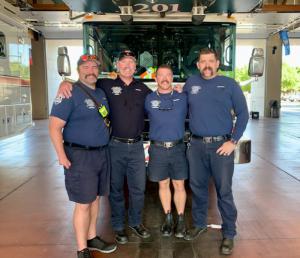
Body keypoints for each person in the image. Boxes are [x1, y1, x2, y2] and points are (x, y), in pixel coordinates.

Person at [57, 50, 152, 244]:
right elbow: (83, 83)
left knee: (138, 189)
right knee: (115, 189)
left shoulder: (143, 89)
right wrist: (64, 82)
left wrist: (175, 90)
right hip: (113, 146)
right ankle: (118, 227)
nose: (127, 66)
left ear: (136, 67)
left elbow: (160, 99)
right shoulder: (104, 85)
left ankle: (135, 223)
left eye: (131, 63)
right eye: (123, 63)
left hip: (136, 147)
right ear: (117, 66)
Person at [49, 54, 117, 258]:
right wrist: (61, 155)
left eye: (94, 67)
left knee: (95, 200)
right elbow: (54, 127)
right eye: (86, 67)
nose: (91, 70)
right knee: (83, 203)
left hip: (100, 154)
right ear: (79, 70)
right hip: (79, 156)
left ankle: (92, 237)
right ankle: (81, 249)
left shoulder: (101, 93)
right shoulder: (69, 93)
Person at [183, 48, 249, 255]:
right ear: (198, 65)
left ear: (218, 63)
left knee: (224, 191)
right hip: (195, 146)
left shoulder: (230, 85)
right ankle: (200, 223)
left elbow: (243, 114)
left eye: (211, 61)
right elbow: (181, 108)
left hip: (221, 147)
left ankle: (229, 233)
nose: (207, 65)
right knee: (198, 188)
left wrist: (233, 141)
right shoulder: (191, 83)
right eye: (203, 61)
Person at [144, 64, 188, 238]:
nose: (164, 78)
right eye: (161, 75)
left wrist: (183, 88)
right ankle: (168, 219)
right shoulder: (148, 99)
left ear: (172, 77)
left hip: (178, 148)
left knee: (179, 185)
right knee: (163, 184)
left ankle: (181, 220)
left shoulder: (183, 97)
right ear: (156, 79)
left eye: (168, 75)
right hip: (157, 149)